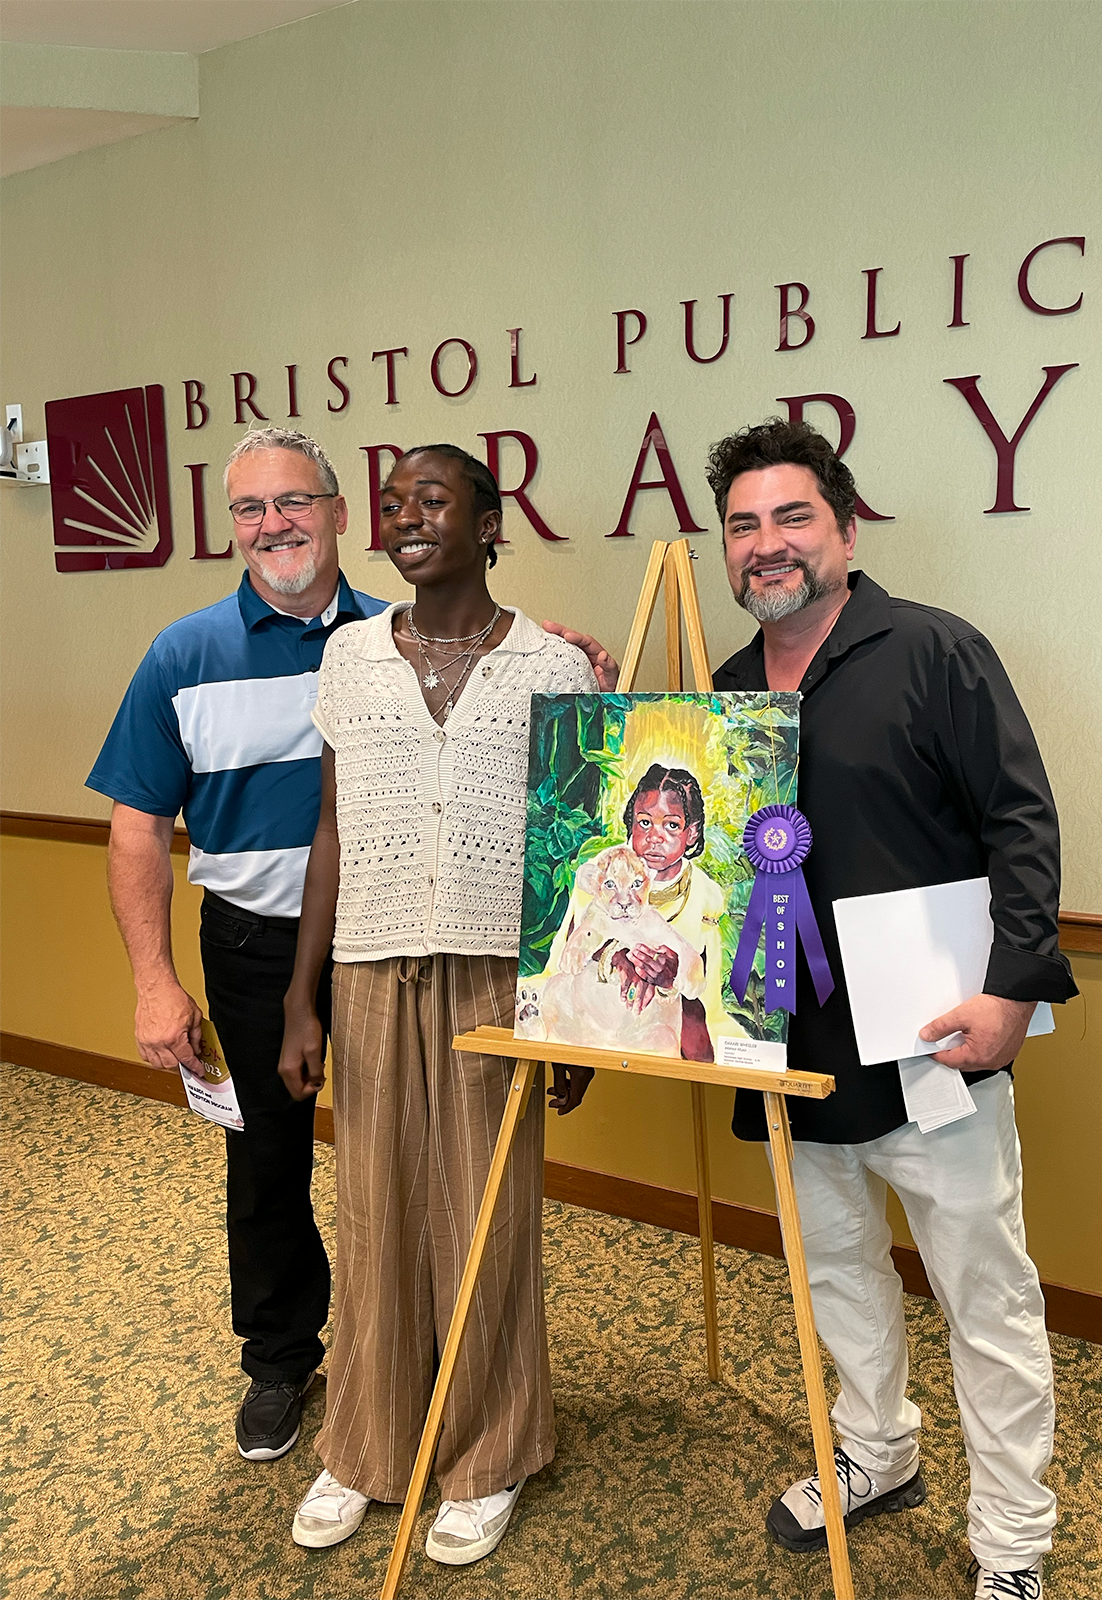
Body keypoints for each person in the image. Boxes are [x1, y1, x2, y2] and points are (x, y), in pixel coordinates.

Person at [550, 417, 1078, 1600]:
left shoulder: (936, 651)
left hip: (936, 1041)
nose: (766, 544)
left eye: (792, 517)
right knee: (834, 1271)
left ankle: (1013, 1544)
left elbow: (1021, 824)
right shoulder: (731, 694)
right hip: (786, 1048)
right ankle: (879, 1452)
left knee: (983, 1296)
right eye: (743, 525)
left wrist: (1010, 989)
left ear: (844, 527)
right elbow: (680, 867)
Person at [278, 443, 597, 1562]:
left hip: (495, 975)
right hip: (368, 964)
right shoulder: (352, 658)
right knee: (369, 1210)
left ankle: (488, 1453)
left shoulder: (556, 666)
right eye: (394, 500)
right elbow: (330, 833)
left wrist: (571, 1009)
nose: (406, 515)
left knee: (486, 1213)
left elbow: (571, 853)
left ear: (487, 520)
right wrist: (300, 1001)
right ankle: (364, 1444)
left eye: (433, 498)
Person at [86, 429, 389, 1462]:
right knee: (265, 1163)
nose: (275, 525)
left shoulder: (404, 638)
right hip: (253, 947)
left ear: (339, 511)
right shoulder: (183, 654)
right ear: (234, 526)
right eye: (252, 509)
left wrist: (569, 651)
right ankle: (279, 1360)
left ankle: (410, 1346)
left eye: (294, 502)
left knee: (406, 1153)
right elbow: (136, 823)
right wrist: (154, 981)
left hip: (389, 945)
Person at [542, 764, 743, 1060]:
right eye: (644, 822)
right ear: (631, 823)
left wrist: (671, 978)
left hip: (662, 1022)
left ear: (693, 831)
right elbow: (573, 949)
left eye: (672, 825)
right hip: (590, 1007)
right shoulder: (602, 868)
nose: (655, 837)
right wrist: (618, 956)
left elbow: (704, 991)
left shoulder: (705, 893)